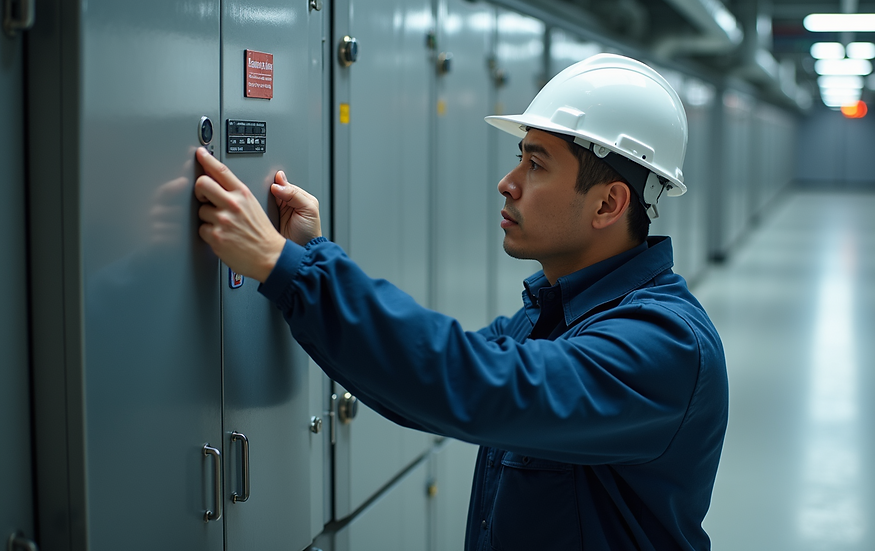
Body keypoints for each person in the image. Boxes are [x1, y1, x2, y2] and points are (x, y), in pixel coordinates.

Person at [194, 54, 728, 551]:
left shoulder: (663, 345)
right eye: (520, 158)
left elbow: (467, 381)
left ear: (609, 203)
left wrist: (284, 266)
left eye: (536, 165)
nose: (507, 183)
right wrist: (306, 253)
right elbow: (423, 376)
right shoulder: (551, 316)